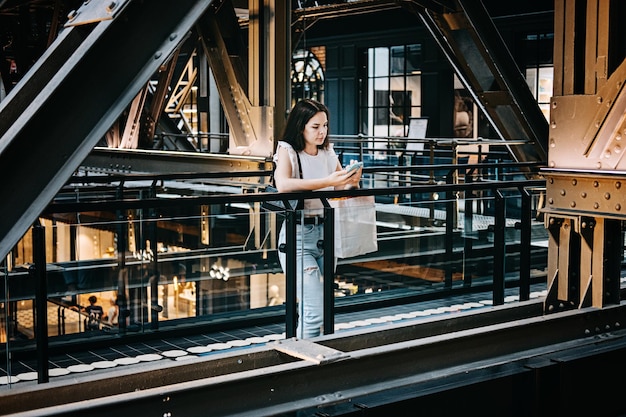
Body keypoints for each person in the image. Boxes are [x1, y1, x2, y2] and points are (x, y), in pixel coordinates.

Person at [273, 98, 362, 338]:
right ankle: (305, 368)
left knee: (322, 307)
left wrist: (351, 181)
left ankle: (315, 359)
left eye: (325, 125)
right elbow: (283, 184)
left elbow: (339, 188)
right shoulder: (287, 150)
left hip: (326, 232)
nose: (322, 131)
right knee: (314, 311)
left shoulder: (327, 151)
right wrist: (330, 181)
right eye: (315, 126)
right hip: (298, 236)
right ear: (300, 126)